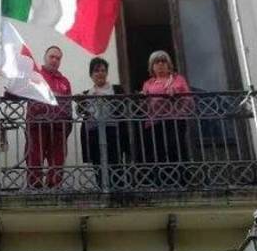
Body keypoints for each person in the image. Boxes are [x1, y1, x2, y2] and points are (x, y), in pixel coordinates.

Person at [140, 50, 192, 187]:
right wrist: (142, 98)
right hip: (155, 122)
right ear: (152, 66)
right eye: (157, 62)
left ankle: (182, 180)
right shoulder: (148, 84)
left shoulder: (178, 79)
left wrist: (179, 104)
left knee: (176, 147)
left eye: (163, 61)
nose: (161, 64)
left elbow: (188, 98)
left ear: (169, 65)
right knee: (158, 151)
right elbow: (144, 107)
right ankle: (162, 181)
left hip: (175, 120)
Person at [77, 57, 128, 190]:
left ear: (106, 73)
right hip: (94, 133)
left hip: (113, 132)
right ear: (91, 75)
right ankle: (102, 189)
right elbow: (80, 111)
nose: (100, 73)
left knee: (115, 162)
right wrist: (79, 101)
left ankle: (118, 191)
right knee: (98, 164)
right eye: (96, 71)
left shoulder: (116, 89)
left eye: (103, 70)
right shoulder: (87, 93)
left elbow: (124, 108)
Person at [26, 46, 72, 188]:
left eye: (58, 58)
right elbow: (21, 91)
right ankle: (35, 187)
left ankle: (54, 186)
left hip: (59, 126)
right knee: (34, 157)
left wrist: (67, 126)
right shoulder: (35, 75)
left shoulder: (64, 81)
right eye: (52, 57)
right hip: (37, 124)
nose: (54, 60)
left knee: (57, 159)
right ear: (45, 57)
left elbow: (69, 105)